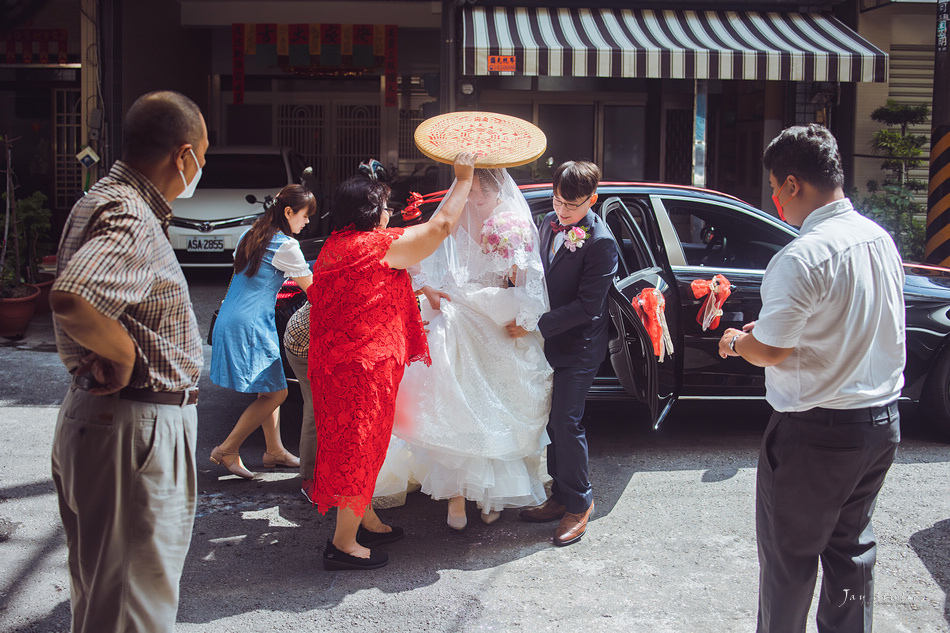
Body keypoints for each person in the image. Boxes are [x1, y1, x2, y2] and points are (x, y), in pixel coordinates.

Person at [716, 124, 904, 633]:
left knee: (789, 562)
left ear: (793, 184)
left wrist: (736, 341)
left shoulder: (801, 255)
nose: (775, 199)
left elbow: (771, 351)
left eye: (776, 188)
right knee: (851, 550)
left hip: (816, 433)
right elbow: (853, 321)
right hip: (880, 424)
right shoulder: (879, 239)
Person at [49, 90, 207, 633]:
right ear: (182, 156)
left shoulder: (103, 197)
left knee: (105, 600)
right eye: (202, 158)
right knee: (131, 611)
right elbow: (73, 297)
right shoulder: (132, 213)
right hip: (133, 424)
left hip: (115, 423)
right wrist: (121, 354)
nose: (200, 169)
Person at [308, 153, 476, 570]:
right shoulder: (373, 246)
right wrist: (464, 180)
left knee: (355, 444)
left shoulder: (336, 246)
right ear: (369, 212)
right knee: (360, 447)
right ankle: (342, 544)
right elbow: (440, 227)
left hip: (337, 366)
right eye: (384, 206)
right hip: (361, 370)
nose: (390, 212)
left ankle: (363, 519)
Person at [388, 168, 553, 530]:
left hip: (493, 316)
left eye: (483, 195)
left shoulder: (513, 223)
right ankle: (456, 496)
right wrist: (427, 288)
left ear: (498, 193)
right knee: (453, 406)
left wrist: (522, 308)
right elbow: (420, 254)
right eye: (471, 193)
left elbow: (529, 280)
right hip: (453, 312)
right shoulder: (453, 214)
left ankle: (492, 494)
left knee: (495, 405)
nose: (475, 201)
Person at [510, 160, 618, 547]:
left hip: (579, 346)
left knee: (565, 421)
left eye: (572, 206)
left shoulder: (601, 242)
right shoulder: (545, 223)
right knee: (549, 421)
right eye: (558, 201)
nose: (563, 211)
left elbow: (589, 306)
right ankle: (559, 495)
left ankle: (580, 503)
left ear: (593, 199)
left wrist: (534, 324)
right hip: (547, 343)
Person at [209, 184, 315, 479]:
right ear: (289, 212)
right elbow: (314, 291)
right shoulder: (286, 246)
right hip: (253, 324)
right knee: (277, 393)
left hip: (231, 317)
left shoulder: (249, 234)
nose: (307, 223)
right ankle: (227, 449)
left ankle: (274, 451)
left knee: (270, 388)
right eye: (305, 216)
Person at [283, 300, 317, 500]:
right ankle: (309, 478)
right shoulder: (353, 276)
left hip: (326, 339)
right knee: (316, 408)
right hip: (306, 345)